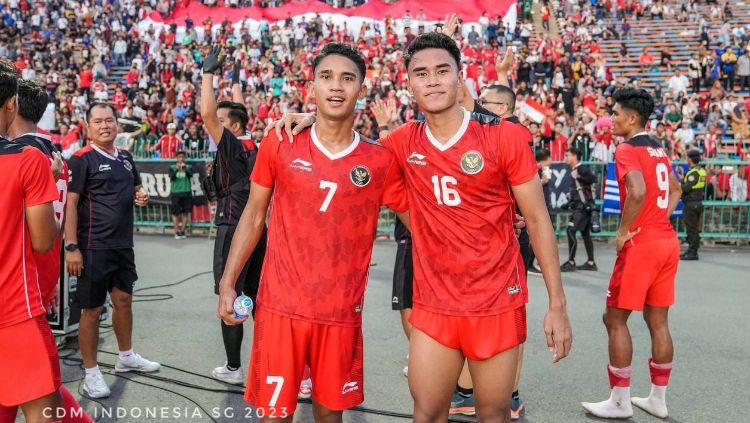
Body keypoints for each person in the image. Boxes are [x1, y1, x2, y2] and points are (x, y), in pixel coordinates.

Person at [268, 32, 572, 423]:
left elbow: (537, 220)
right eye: (421, 73)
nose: (432, 81)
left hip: (496, 299)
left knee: (494, 413)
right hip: (433, 303)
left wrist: (557, 305)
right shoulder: (398, 143)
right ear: (409, 84)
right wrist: (315, 118)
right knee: (427, 412)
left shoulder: (504, 136)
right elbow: (348, 144)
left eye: (442, 71)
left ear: (459, 77)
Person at [217, 43, 408, 422]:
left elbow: (421, 217)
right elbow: (254, 216)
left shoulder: (379, 160)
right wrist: (228, 282)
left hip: (339, 313)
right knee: (274, 415)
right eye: (326, 77)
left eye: (347, 78)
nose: (336, 87)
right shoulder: (281, 140)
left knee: (330, 416)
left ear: (362, 88)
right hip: (279, 308)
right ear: (313, 86)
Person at [582, 87, 682, 420]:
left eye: (615, 112)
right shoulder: (658, 148)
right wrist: (660, 219)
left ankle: (620, 402)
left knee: (614, 319)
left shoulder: (626, 148)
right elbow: (676, 188)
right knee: (658, 322)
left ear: (632, 118)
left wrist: (624, 230)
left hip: (643, 244)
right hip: (667, 241)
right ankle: (658, 399)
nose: (611, 118)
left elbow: (637, 191)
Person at [5, 76, 95, 423]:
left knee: (33, 383)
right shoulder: (51, 150)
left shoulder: (24, 156)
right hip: (37, 273)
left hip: (21, 276)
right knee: (35, 381)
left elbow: (37, 232)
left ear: (12, 107)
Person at [65, 103, 159, 399]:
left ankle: (126, 356)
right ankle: (92, 373)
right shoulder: (81, 159)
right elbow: (70, 204)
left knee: (124, 301)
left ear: (117, 124)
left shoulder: (127, 158)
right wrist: (71, 247)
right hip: (93, 247)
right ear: (88, 127)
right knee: (91, 310)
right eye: (98, 121)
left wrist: (140, 194)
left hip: (123, 246)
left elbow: (136, 189)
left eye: (109, 120)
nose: (105, 125)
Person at [200, 46, 267, 385]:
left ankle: (233, 367)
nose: (216, 127)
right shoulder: (256, 145)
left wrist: (207, 73)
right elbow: (237, 113)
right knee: (257, 299)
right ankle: (276, 365)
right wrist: (238, 82)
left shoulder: (232, 145)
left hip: (234, 229)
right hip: (261, 230)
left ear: (234, 126)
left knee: (233, 298)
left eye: (225, 123)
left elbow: (209, 115)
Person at [0, 64, 62, 423]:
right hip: (16, 314)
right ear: (11, 104)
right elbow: (42, 240)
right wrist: (46, 187)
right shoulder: (29, 161)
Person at [561, 148, 597, 272]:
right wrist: (569, 202)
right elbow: (580, 189)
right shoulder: (574, 169)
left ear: (575, 156)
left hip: (581, 208)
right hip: (579, 206)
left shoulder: (581, 168)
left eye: (567, 155)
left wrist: (579, 177)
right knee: (585, 234)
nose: (565, 158)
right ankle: (591, 262)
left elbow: (593, 179)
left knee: (571, 231)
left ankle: (571, 261)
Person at [678, 149, 705, 260]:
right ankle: (693, 249)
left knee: (691, 228)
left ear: (690, 159)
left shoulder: (693, 173)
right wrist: (683, 177)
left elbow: (686, 188)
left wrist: (680, 182)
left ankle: (692, 252)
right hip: (697, 202)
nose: (687, 159)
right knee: (695, 228)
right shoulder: (701, 171)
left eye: (688, 157)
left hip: (691, 203)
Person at [169, 151, 193, 239]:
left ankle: (182, 231)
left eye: (183, 157)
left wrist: (185, 169)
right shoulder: (172, 167)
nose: (181, 159)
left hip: (186, 191)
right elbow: (172, 177)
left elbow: (190, 175)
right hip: (175, 192)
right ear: (176, 158)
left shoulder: (189, 167)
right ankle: (177, 232)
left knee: (185, 212)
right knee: (175, 213)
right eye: (179, 157)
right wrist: (176, 169)